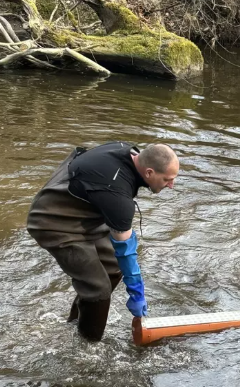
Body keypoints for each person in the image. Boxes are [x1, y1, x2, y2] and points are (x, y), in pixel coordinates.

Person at [27, 141, 179, 341]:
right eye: (168, 179)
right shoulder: (118, 198)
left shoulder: (129, 151)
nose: (171, 185)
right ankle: (88, 348)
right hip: (53, 222)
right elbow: (125, 249)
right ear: (149, 172)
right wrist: (137, 292)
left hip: (85, 215)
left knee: (112, 268)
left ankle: (75, 323)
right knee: (98, 288)